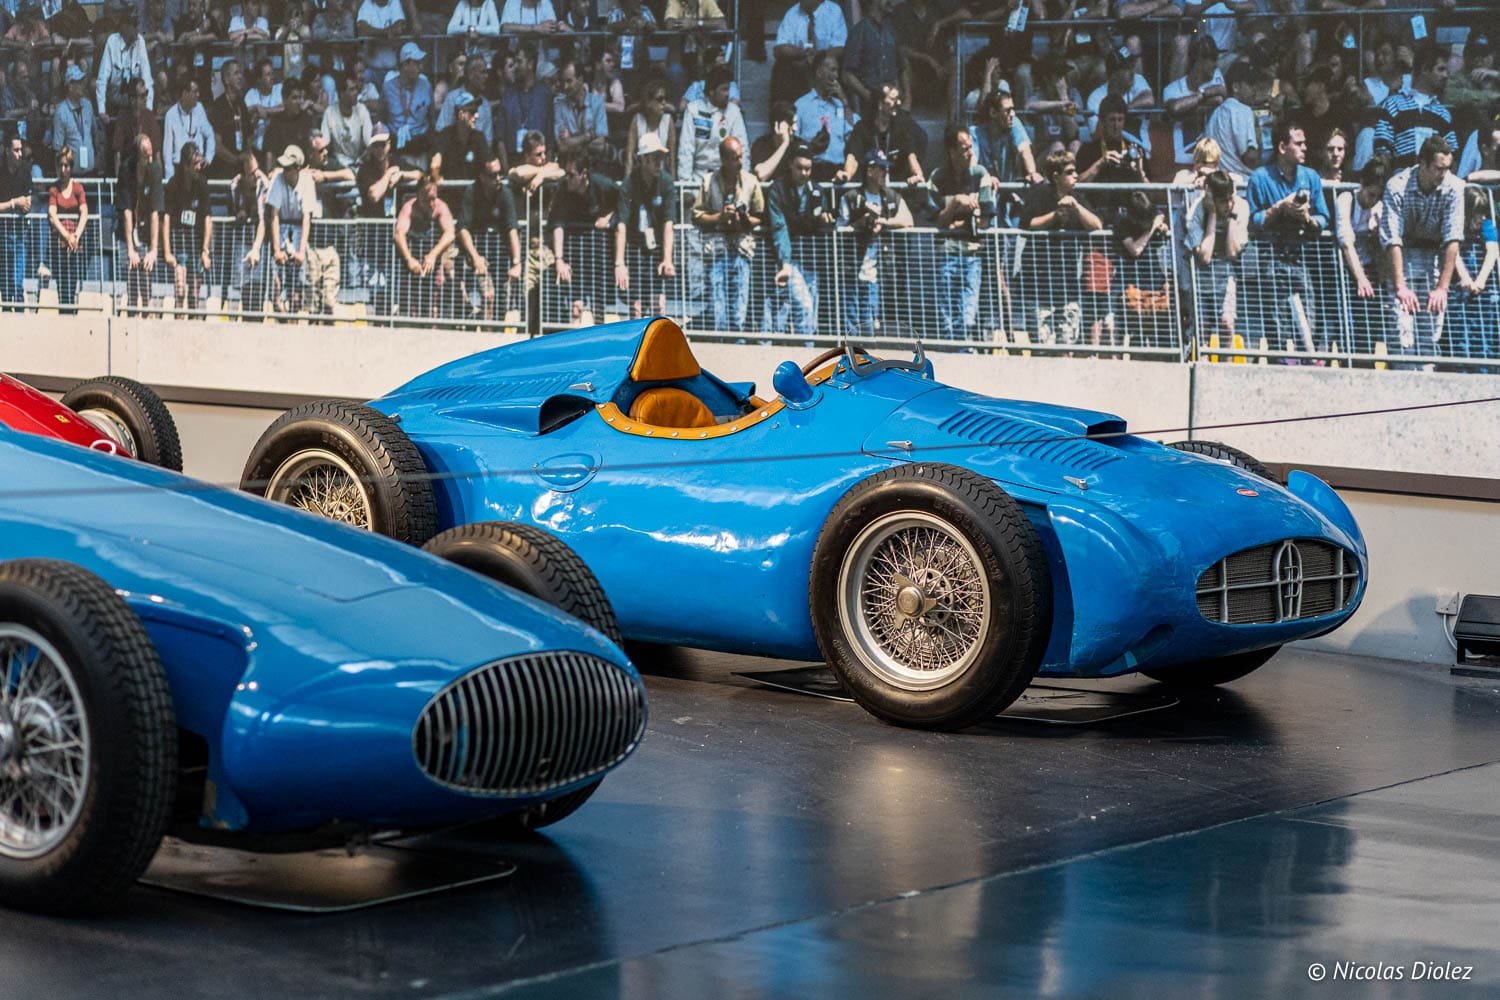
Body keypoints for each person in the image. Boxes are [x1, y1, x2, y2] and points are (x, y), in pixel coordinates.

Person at [1245, 121, 1331, 356]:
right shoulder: (1260, 177)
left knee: (1309, 319)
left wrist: (1307, 217)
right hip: (1272, 256)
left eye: (1305, 143)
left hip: (1303, 256)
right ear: (1282, 147)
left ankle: (1308, 359)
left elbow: (1323, 217)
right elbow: (1254, 220)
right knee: (1277, 321)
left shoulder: (1311, 176)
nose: (1305, 148)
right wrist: (1279, 208)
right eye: (1299, 144)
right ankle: (1281, 361)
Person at [1380, 136, 1464, 368]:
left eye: (1447, 168)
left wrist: (1442, 289)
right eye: (1438, 168)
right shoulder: (1397, 186)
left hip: (1433, 259)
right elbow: (1392, 238)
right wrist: (1401, 286)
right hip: (1402, 256)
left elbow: (1453, 238)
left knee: (1431, 333)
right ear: (1423, 163)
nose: (1443, 174)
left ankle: (1428, 379)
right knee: (1402, 330)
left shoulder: (1455, 187)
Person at [930, 126, 998, 341]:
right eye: (965, 149)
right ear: (952, 152)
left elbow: (984, 221)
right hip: (946, 254)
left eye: (971, 147)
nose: (970, 153)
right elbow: (936, 221)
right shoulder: (937, 178)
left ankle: (964, 349)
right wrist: (956, 204)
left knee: (967, 314)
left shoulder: (981, 175)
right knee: (947, 315)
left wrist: (955, 222)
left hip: (972, 254)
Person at [691, 136, 764, 332]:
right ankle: (719, 340)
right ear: (723, 159)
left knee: (739, 303)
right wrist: (720, 217)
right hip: (716, 249)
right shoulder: (708, 181)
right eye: (735, 158)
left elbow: (760, 216)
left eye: (741, 157)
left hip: (742, 249)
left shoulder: (751, 182)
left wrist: (744, 219)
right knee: (717, 304)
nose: (740, 162)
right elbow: (696, 216)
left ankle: (737, 340)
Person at [838, 148, 912, 337]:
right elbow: (840, 229)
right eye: (881, 169)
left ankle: (868, 353)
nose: (885, 173)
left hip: (876, 273)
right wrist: (860, 223)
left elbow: (908, 220)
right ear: (869, 171)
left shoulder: (891, 196)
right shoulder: (851, 197)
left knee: (870, 325)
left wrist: (883, 222)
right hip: (851, 269)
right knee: (851, 325)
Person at [765, 142, 832, 336]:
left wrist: (825, 221)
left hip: (812, 260)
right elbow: (779, 227)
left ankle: (807, 348)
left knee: (811, 311)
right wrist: (785, 262)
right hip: (788, 259)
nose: (804, 173)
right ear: (790, 165)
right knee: (804, 305)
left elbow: (823, 222)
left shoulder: (817, 190)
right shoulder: (777, 189)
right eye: (800, 168)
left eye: (808, 168)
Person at [546, 151, 617, 321]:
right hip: (575, 253)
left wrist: (608, 218)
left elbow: (622, 202)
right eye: (566, 174)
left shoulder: (603, 185)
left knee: (599, 308)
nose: (567, 179)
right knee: (576, 308)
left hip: (598, 254)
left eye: (571, 175)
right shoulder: (563, 190)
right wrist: (559, 260)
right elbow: (557, 225)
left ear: (583, 174)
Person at [614, 130, 676, 319]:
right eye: (655, 158)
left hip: (656, 248)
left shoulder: (666, 182)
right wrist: (620, 263)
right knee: (636, 307)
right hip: (635, 248)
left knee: (659, 305)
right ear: (643, 159)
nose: (659, 163)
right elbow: (621, 226)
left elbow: (668, 224)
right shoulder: (629, 184)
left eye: (661, 158)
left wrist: (667, 258)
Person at [1184, 169, 1248, 350]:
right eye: (1222, 201)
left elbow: (1233, 252)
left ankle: (1225, 365)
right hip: (1200, 274)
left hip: (1226, 272)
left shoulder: (1240, 206)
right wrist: (1212, 215)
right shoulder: (1196, 211)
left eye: (1230, 198)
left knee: (1227, 324)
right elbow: (1204, 257)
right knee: (1202, 328)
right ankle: (1203, 363)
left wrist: (1231, 217)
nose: (1228, 204)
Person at [1334, 155, 1391, 359]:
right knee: (1345, 326)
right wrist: (1360, 278)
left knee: (1369, 327)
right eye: (1370, 194)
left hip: (1370, 267)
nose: (1372, 200)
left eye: (1378, 196)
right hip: (1345, 270)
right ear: (1362, 184)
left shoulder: (1379, 207)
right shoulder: (1346, 200)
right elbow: (1346, 242)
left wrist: (1378, 234)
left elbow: (1384, 251)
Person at [458, 154, 521, 322]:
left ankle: (495, 328)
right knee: (488, 296)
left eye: (500, 173)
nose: (499, 178)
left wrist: (517, 263)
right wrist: (475, 257)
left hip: (500, 253)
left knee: (502, 301)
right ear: (482, 177)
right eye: (493, 175)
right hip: (477, 250)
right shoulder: (471, 192)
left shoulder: (505, 194)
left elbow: (512, 229)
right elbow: (463, 228)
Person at [1374, 43, 1458, 171]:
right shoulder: (1394, 104)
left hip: (1434, 182)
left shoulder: (1443, 113)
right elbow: (1382, 147)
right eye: (1441, 69)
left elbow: (1451, 154)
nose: (1445, 75)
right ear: (1424, 69)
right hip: (1400, 181)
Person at [394, 177, 457, 320]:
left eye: (434, 198)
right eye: (428, 199)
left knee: (443, 277)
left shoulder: (440, 207)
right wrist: (409, 259)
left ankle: (442, 318)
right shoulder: (409, 208)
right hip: (416, 249)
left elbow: (450, 233)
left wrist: (433, 255)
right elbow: (399, 233)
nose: (432, 203)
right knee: (411, 285)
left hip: (438, 248)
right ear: (419, 196)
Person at [842, 81, 927, 186]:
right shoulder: (862, 128)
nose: (899, 103)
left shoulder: (902, 126)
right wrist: (847, 174)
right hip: (869, 186)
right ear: (880, 104)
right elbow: (853, 155)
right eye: (893, 99)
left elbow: (911, 154)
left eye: (898, 99)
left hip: (894, 188)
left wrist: (918, 174)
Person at [264, 144, 317, 313]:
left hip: (299, 229)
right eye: (283, 168)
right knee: (276, 284)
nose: (285, 172)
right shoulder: (277, 179)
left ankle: (295, 312)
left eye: (289, 168)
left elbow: (307, 218)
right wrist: (277, 250)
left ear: (297, 168)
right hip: (281, 228)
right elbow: (274, 215)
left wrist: (300, 251)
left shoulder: (307, 182)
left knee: (298, 287)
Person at [162, 141, 213, 310]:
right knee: (180, 290)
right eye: (195, 164)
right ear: (186, 166)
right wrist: (167, 252)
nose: (199, 167)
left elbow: (207, 218)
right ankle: (178, 319)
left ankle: (193, 321)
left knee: (194, 294)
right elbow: (166, 218)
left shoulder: (203, 184)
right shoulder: (173, 185)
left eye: (200, 163)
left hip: (196, 244)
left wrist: (205, 250)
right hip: (179, 244)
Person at [116, 133, 164, 312]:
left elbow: (155, 211)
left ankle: (148, 309)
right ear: (137, 156)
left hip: (146, 226)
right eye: (146, 156)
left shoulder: (155, 168)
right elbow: (126, 210)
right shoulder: (126, 169)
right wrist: (131, 249)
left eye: (151, 154)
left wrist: (153, 249)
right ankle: (132, 310)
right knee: (132, 272)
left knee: (146, 274)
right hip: (129, 225)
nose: (150, 159)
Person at [1453, 185, 1499, 371]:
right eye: (1477, 213)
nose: (1481, 217)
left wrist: (1481, 280)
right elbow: (1453, 252)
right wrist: (1464, 277)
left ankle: (1484, 373)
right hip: (1460, 289)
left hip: (1483, 289)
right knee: (1461, 337)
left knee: (1483, 335)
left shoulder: (1487, 225)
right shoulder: (1456, 225)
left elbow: (1492, 251)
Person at [678, 65, 749, 186]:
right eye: (723, 89)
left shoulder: (734, 112)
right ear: (711, 91)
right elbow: (686, 149)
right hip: (698, 178)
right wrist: (685, 185)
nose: (728, 94)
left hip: (727, 179)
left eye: (728, 89)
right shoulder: (693, 110)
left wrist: (743, 183)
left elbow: (743, 149)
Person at [794, 51, 858, 183]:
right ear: (819, 72)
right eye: (832, 70)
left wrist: (844, 101)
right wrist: (811, 147)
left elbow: (853, 131)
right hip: (811, 170)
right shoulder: (801, 105)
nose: (836, 76)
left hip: (839, 172)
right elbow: (793, 143)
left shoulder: (840, 105)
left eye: (837, 71)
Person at [771, 0, 846, 108]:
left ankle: (833, 110)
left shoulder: (833, 11)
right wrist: (804, 53)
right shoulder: (792, 13)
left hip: (824, 62)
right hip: (801, 65)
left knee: (834, 65)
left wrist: (818, 58)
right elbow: (779, 48)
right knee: (781, 66)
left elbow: (840, 47)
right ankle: (785, 114)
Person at [841, 0, 903, 115]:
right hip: (871, 105)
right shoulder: (859, 31)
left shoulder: (890, 30)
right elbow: (847, 75)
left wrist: (899, 96)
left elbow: (898, 68)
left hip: (893, 102)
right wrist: (868, 96)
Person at [1203, 60, 1262, 179]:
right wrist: (1258, 131)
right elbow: (1251, 159)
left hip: (1218, 182)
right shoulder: (1243, 110)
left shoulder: (1215, 113)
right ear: (1236, 87)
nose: (1255, 89)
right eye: (1250, 84)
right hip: (1242, 182)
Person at [96, 3, 152, 120]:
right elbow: (102, 79)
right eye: (133, 25)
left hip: (134, 98)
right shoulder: (112, 41)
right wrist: (101, 110)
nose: (137, 29)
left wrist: (148, 110)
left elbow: (147, 78)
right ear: (124, 27)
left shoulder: (140, 41)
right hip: (115, 97)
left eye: (137, 25)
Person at [497, 44, 553, 162]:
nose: (515, 66)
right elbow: (500, 138)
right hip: (514, 161)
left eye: (519, 61)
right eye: (514, 62)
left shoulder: (544, 94)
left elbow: (550, 137)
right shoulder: (507, 95)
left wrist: (547, 167)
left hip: (539, 161)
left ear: (530, 64)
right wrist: (506, 169)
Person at [552, 56, 609, 163]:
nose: (565, 87)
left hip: (593, 164)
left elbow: (600, 145)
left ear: (580, 80)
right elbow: (562, 146)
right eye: (563, 82)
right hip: (569, 165)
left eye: (569, 81)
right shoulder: (559, 105)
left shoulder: (597, 102)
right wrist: (588, 136)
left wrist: (571, 141)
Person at [384, 42, 435, 161]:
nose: (420, 67)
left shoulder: (426, 86)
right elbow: (383, 116)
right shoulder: (388, 88)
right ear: (405, 65)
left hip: (419, 146)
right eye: (416, 63)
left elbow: (431, 117)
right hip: (396, 148)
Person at [51, 65, 99, 177]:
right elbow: (58, 148)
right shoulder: (61, 112)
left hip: (91, 172)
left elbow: (95, 132)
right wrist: (61, 177)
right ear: (70, 86)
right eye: (78, 82)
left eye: (82, 82)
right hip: (71, 175)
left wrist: (98, 157)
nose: (82, 85)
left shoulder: (88, 105)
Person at [163, 78, 215, 182]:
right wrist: (170, 179)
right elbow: (167, 151)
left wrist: (208, 158)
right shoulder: (171, 115)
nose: (198, 95)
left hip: (198, 166)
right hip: (180, 168)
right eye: (195, 92)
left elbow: (210, 134)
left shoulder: (199, 108)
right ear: (185, 93)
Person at [431, 93, 491, 182]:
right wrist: (436, 179)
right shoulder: (445, 135)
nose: (477, 116)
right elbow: (435, 163)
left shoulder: (479, 137)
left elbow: (488, 164)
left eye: (477, 111)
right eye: (472, 112)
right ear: (461, 114)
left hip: (473, 190)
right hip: (450, 189)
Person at [322, 73, 374, 171]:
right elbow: (325, 143)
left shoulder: (362, 110)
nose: (356, 93)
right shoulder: (330, 112)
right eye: (351, 89)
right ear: (341, 93)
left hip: (360, 163)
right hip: (338, 165)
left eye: (356, 89)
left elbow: (369, 142)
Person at [625, 79, 676, 179]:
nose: (664, 102)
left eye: (665, 98)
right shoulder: (637, 120)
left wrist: (672, 184)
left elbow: (672, 159)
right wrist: (627, 182)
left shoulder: (668, 120)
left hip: (661, 177)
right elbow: (629, 157)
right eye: (659, 99)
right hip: (640, 177)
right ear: (648, 102)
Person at [209, 59, 251, 180]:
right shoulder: (218, 106)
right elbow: (217, 146)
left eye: (240, 73)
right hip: (224, 168)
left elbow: (248, 135)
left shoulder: (242, 104)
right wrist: (236, 160)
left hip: (243, 167)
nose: (240, 77)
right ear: (226, 80)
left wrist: (247, 157)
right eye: (236, 73)